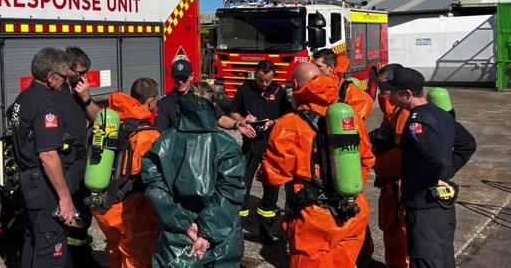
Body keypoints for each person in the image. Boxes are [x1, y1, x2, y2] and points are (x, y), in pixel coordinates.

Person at [259, 63, 374, 268]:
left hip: (314, 218)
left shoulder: (289, 124)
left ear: (295, 85)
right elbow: (366, 159)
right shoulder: (350, 115)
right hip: (352, 210)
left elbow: (274, 175)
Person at [142, 82, 245, 267]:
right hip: (219, 236)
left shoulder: (163, 142)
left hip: (177, 233)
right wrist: (205, 232)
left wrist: (185, 224)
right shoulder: (227, 145)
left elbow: (155, 187)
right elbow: (230, 193)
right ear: (213, 107)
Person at [387, 67, 476, 268]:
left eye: (393, 91)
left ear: (407, 94)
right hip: (441, 206)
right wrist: (447, 172)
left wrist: (437, 175)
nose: (389, 95)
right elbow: (467, 143)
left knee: (426, 260)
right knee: (443, 257)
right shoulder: (441, 114)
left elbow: (435, 158)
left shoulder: (417, 122)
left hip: (424, 205)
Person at [7, 47, 75, 267]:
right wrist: (65, 197)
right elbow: (47, 154)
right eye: (63, 77)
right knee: (51, 245)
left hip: (27, 184)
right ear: (50, 76)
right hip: (43, 186)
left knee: (32, 240)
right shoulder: (46, 104)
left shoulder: (23, 98)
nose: (65, 82)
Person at [92, 77, 162, 268]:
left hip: (105, 206)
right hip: (131, 210)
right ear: (151, 101)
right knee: (136, 256)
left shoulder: (110, 121)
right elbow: (152, 178)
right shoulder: (148, 135)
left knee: (115, 249)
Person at [229, 60, 292, 243]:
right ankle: (237, 228)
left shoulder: (279, 92)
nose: (264, 84)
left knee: (271, 188)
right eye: (260, 80)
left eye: (267, 81)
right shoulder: (244, 90)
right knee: (241, 185)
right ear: (255, 75)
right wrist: (243, 120)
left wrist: (272, 122)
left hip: (272, 146)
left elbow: (288, 116)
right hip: (250, 146)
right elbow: (233, 112)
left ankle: (266, 229)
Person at [62, 46, 101, 266]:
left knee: (83, 210)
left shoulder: (78, 91)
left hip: (80, 160)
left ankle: (81, 254)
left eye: (86, 72)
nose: (83, 77)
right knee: (67, 213)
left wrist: (86, 98)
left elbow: (97, 118)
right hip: (64, 162)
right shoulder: (56, 91)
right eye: (80, 72)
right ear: (67, 68)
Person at [370, 63, 409, 268]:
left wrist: (381, 150)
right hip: (388, 183)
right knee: (390, 230)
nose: (381, 93)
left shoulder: (403, 114)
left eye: (385, 88)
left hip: (399, 185)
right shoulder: (391, 115)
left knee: (400, 232)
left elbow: (405, 151)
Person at [154, 59, 255, 137]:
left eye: (183, 78)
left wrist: (236, 124)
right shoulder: (166, 104)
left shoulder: (202, 97)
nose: (180, 82)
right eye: (177, 78)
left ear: (191, 76)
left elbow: (221, 119)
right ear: (172, 77)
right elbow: (160, 134)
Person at [311, 49, 373, 120]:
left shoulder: (344, 88)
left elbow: (366, 101)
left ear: (330, 68)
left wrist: (345, 123)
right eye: (313, 66)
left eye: (318, 66)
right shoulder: (310, 85)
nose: (314, 69)